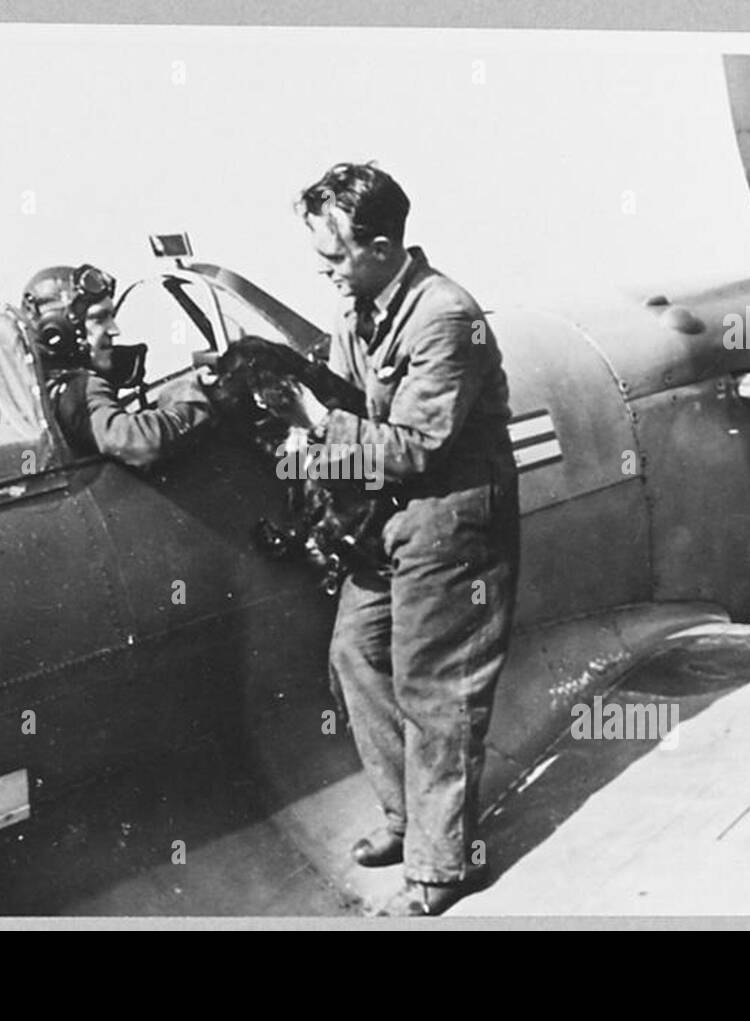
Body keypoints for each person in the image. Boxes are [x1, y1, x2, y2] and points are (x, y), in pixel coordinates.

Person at [280, 162, 521, 916]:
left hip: (449, 519)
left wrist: (316, 436)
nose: (324, 272)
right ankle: (405, 817)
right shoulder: (360, 309)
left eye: (334, 257)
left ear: (382, 247)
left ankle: (443, 863)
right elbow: (351, 400)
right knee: (354, 651)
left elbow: (415, 444)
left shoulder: (443, 316)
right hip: (387, 516)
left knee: (433, 686)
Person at [21, 264, 215, 467]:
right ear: (60, 330)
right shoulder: (79, 388)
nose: (114, 330)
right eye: (99, 318)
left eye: (111, 317)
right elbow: (137, 442)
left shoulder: (33, 385)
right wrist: (193, 398)